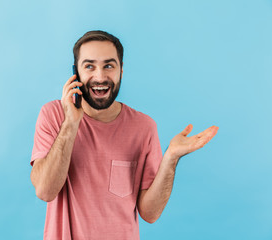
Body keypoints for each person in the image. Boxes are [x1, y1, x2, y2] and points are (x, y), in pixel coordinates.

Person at [30, 30, 219, 240]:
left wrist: (171, 158)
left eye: (109, 66)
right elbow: (45, 191)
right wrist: (71, 123)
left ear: (121, 71)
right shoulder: (53, 115)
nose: (100, 76)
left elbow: (150, 213)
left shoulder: (143, 127)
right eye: (89, 66)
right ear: (76, 73)